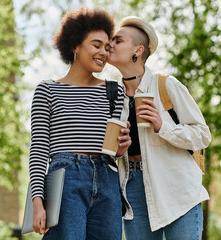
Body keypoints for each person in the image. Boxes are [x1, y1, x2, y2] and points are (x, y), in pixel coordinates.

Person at [29, 8, 131, 240]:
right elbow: (38, 149)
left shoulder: (114, 90)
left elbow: (113, 149)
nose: (103, 53)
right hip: (66, 179)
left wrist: (120, 149)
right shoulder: (48, 90)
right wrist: (37, 201)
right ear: (75, 45)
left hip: (107, 179)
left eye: (107, 47)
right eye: (96, 45)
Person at [107, 16, 211, 240]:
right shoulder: (112, 97)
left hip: (177, 190)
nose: (110, 45)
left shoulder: (166, 85)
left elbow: (203, 135)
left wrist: (163, 126)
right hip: (133, 189)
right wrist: (118, 151)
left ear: (138, 50)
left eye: (118, 41)